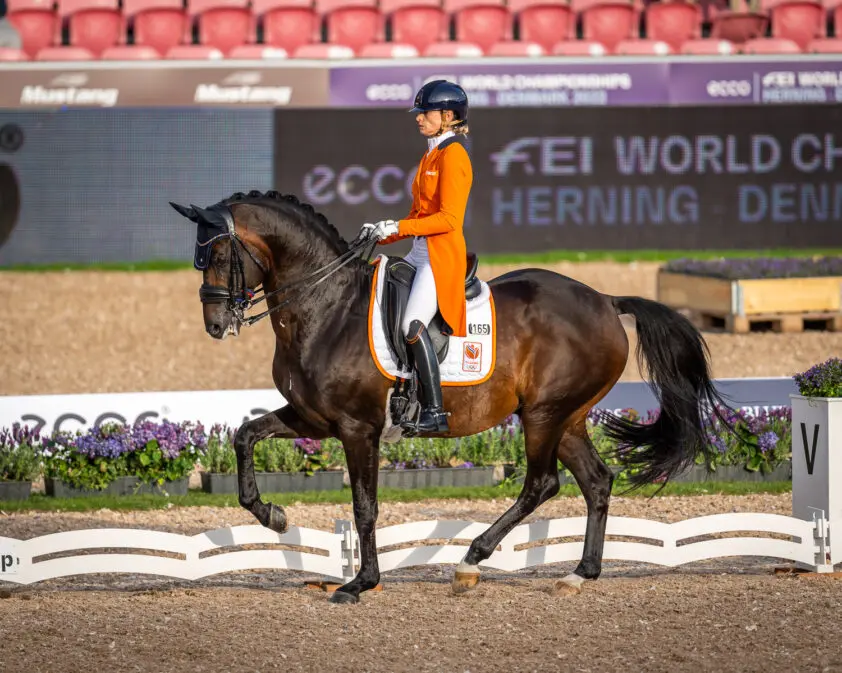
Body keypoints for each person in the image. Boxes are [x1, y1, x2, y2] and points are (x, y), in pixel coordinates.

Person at [360, 80, 473, 435]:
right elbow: (417, 216)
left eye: (425, 113)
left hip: (440, 259)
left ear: (448, 116)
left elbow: (450, 220)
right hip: (418, 252)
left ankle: (435, 410)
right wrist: (385, 231)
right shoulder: (430, 155)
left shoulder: (454, 155)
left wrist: (400, 227)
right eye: (419, 113)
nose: (418, 119)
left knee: (412, 325)